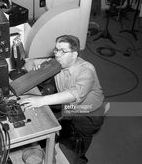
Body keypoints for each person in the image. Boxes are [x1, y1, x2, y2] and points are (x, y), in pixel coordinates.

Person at [19, 35, 105, 163]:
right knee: (65, 133)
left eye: (63, 51)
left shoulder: (87, 70)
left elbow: (74, 94)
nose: (57, 54)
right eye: (56, 50)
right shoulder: (57, 62)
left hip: (89, 113)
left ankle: (80, 159)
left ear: (75, 54)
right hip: (70, 108)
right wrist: (33, 66)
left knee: (79, 144)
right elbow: (29, 61)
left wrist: (40, 101)